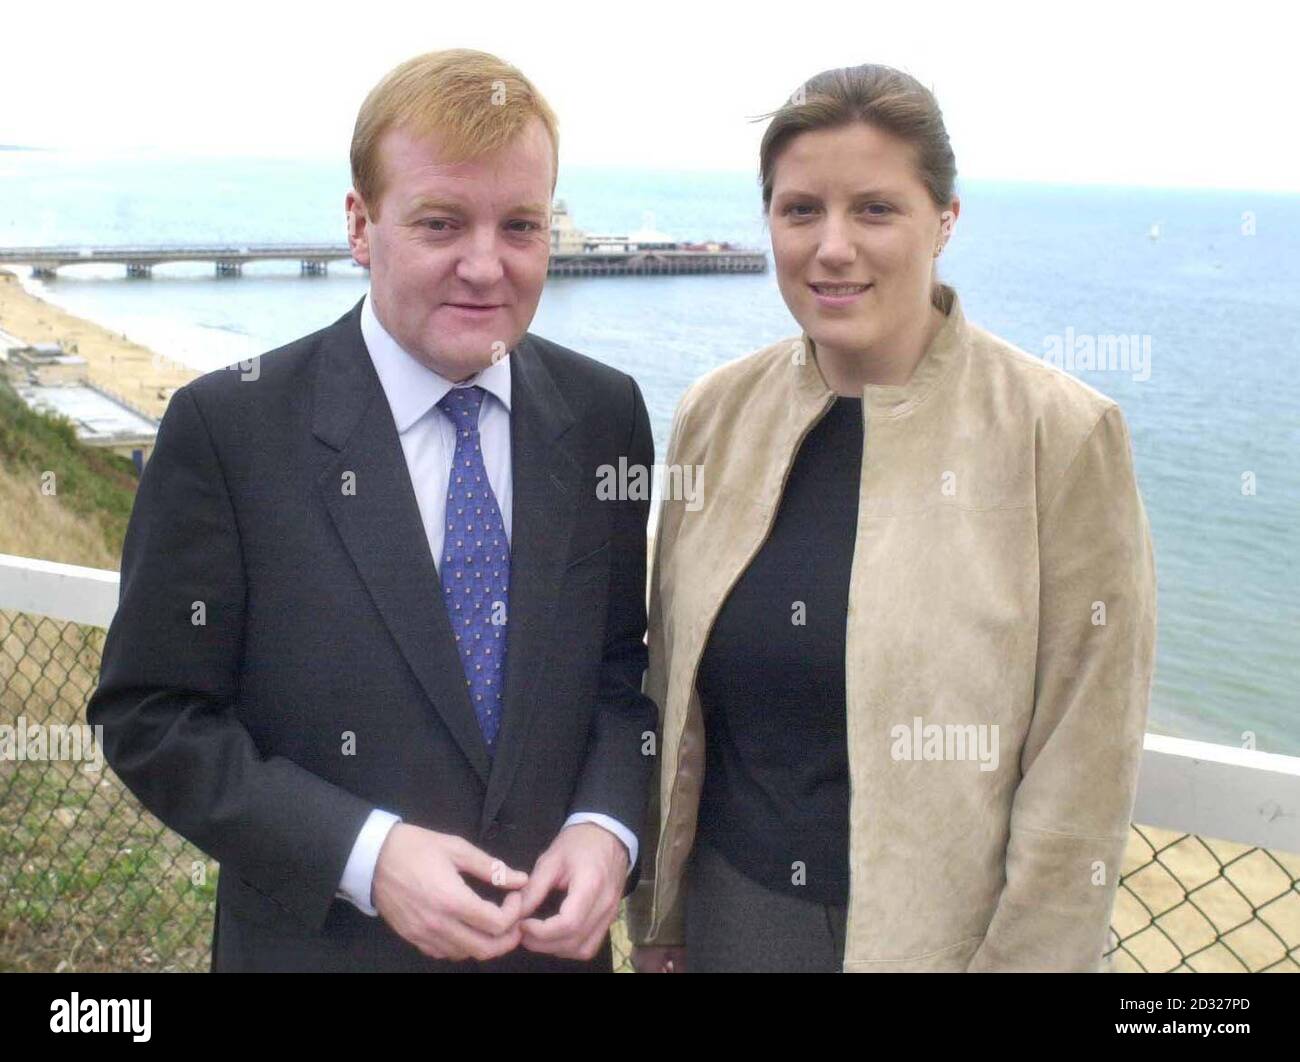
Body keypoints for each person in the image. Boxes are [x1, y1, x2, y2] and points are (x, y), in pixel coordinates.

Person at [88, 48, 656, 972]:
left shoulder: (604, 416)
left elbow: (622, 671)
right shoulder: (230, 427)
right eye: (441, 223)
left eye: (521, 225)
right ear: (360, 224)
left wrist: (606, 827)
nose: (486, 266)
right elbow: (152, 715)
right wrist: (367, 855)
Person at [628, 63, 1157, 973]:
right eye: (801, 211)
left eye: (875, 209)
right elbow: (671, 687)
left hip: (940, 946)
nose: (833, 247)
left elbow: (1086, 760)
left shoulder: (1060, 435)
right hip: (730, 922)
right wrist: (664, 919)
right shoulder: (715, 415)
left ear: (945, 220)